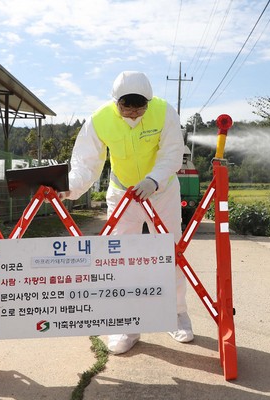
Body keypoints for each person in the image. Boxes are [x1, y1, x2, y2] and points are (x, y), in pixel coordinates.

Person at [60, 71, 193, 355]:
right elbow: (86, 163)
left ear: (149, 100)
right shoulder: (100, 119)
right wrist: (68, 189)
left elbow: (172, 152)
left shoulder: (164, 112)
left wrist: (153, 179)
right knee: (120, 259)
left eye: (139, 107)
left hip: (162, 192)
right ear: (115, 101)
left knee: (172, 254)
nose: (133, 114)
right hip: (123, 194)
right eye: (126, 107)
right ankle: (125, 325)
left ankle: (177, 314)